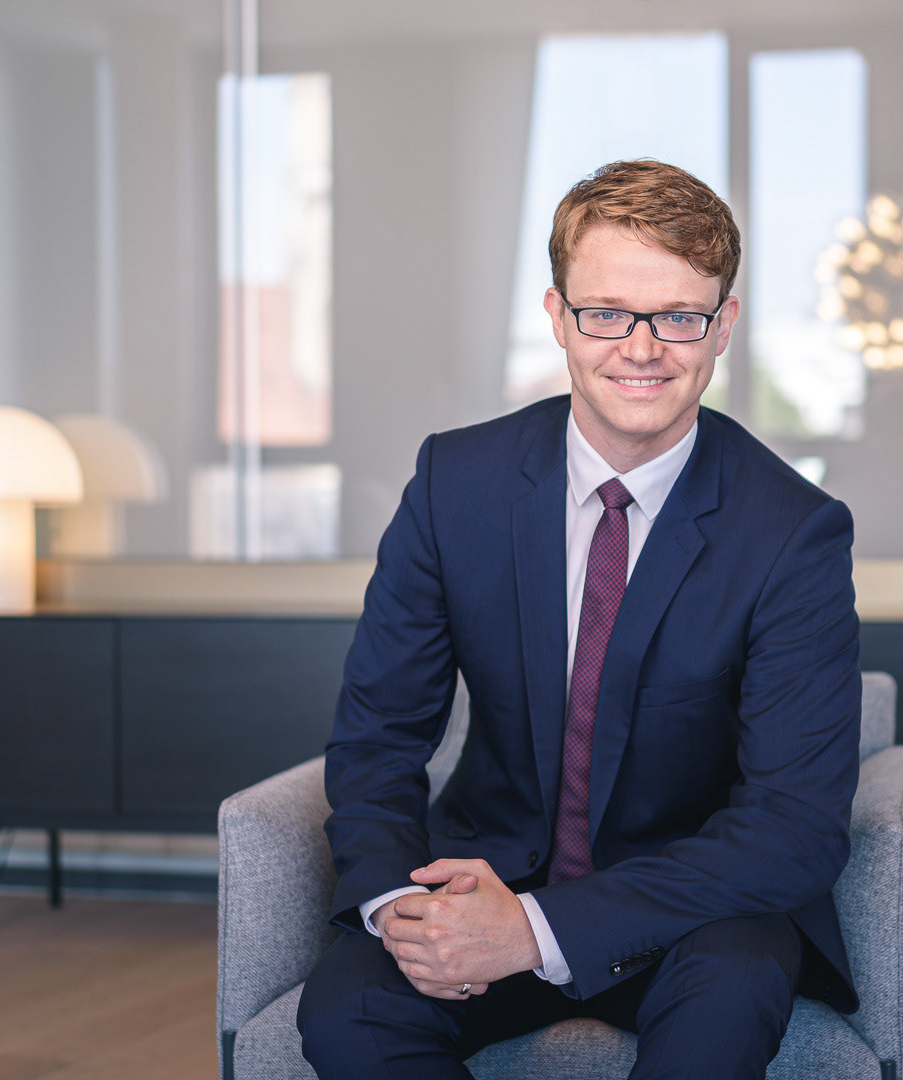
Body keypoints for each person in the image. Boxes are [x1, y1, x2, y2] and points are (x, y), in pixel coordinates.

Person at [296, 159, 862, 1079]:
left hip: (689, 907)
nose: (640, 349)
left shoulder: (792, 532)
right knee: (347, 1012)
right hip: (486, 875)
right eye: (605, 313)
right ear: (558, 317)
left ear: (722, 327)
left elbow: (793, 824)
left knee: (734, 987)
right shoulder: (453, 484)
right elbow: (379, 737)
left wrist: (536, 930)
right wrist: (400, 903)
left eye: (677, 317)